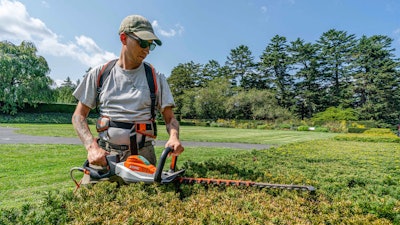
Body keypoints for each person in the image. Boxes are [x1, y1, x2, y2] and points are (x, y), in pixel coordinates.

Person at [72, 14, 184, 184]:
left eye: (150, 45)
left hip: (143, 157)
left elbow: (170, 119)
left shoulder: (155, 77)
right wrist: (91, 147)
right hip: (105, 157)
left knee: (142, 207)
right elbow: (78, 116)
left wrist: (174, 136)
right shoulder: (100, 74)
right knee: (88, 203)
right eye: (143, 43)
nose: (147, 50)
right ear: (124, 38)